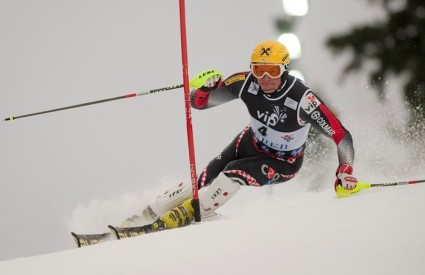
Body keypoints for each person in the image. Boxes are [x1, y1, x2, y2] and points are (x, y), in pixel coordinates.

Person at [124, 40, 357, 230]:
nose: (264, 77)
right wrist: (205, 89)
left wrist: (345, 169)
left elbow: (341, 134)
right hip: (248, 143)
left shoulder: (302, 100)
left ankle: (187, 214)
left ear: (284, 70)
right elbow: (199, 103)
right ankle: (147, 213)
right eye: (258, 69)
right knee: (203, 178)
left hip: (283, 162)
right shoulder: (245, 82)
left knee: (232, 175)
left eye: (272, 70)